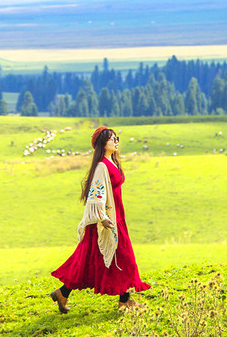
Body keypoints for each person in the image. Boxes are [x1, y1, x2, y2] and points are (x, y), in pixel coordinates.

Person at [50, 125, 151, 313]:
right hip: (105, 221)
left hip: (117, 216)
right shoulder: (102, 167)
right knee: (121, 257)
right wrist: (103, 218)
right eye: (111, 138)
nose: (115, 141)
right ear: (102, 143)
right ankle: (124, 300)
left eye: (116, 138)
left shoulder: (111, 162)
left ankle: (63, 293)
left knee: (88, 261)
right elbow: (95, 196)